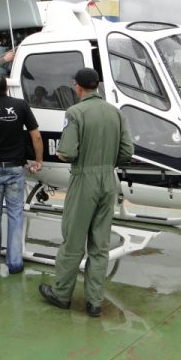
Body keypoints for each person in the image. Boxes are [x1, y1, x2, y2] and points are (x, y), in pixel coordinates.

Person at [38, 67, 134, 317]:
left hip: (84, 179)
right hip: (108, 180)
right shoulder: (115, 113)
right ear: (97, 86)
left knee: (73, 241)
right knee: (100, 244)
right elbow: (127, 152)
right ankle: (94, 301)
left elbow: (67, 152)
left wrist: (63, 153)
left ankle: (61, 294)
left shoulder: (75, 112)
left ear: (77, 87)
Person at [0, 75, 43, 273]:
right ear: (6, 88)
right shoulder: (20, 105)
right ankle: (15, 263)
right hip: (15, 168)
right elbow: (36, 135)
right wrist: (38, 160)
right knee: (15, 215)